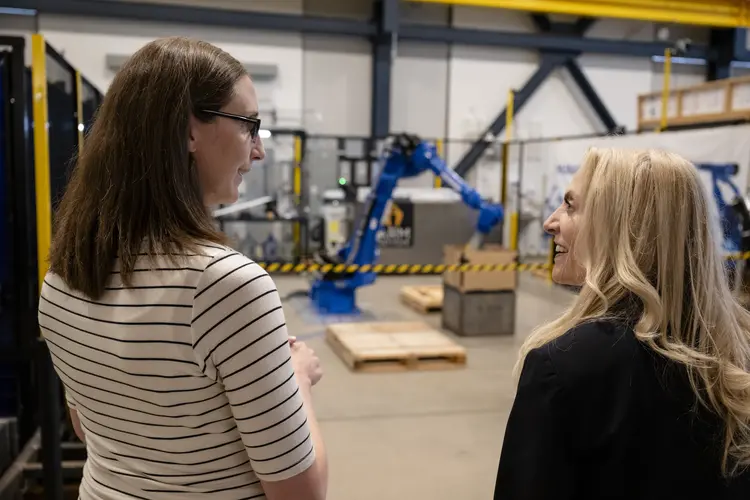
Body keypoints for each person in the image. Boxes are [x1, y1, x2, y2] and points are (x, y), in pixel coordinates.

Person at [37, 37, 328, 500]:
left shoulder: (63, 277)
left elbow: (88, 426)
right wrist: (297, 379)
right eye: (248, 126)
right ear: (190, 130)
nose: (258, 151)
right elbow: (300, 492)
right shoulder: (226, 286)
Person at [493, 148, 750, 499]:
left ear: (619, 227)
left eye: (571, 206)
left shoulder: (563, 367)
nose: (550, 222)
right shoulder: (736, 359)